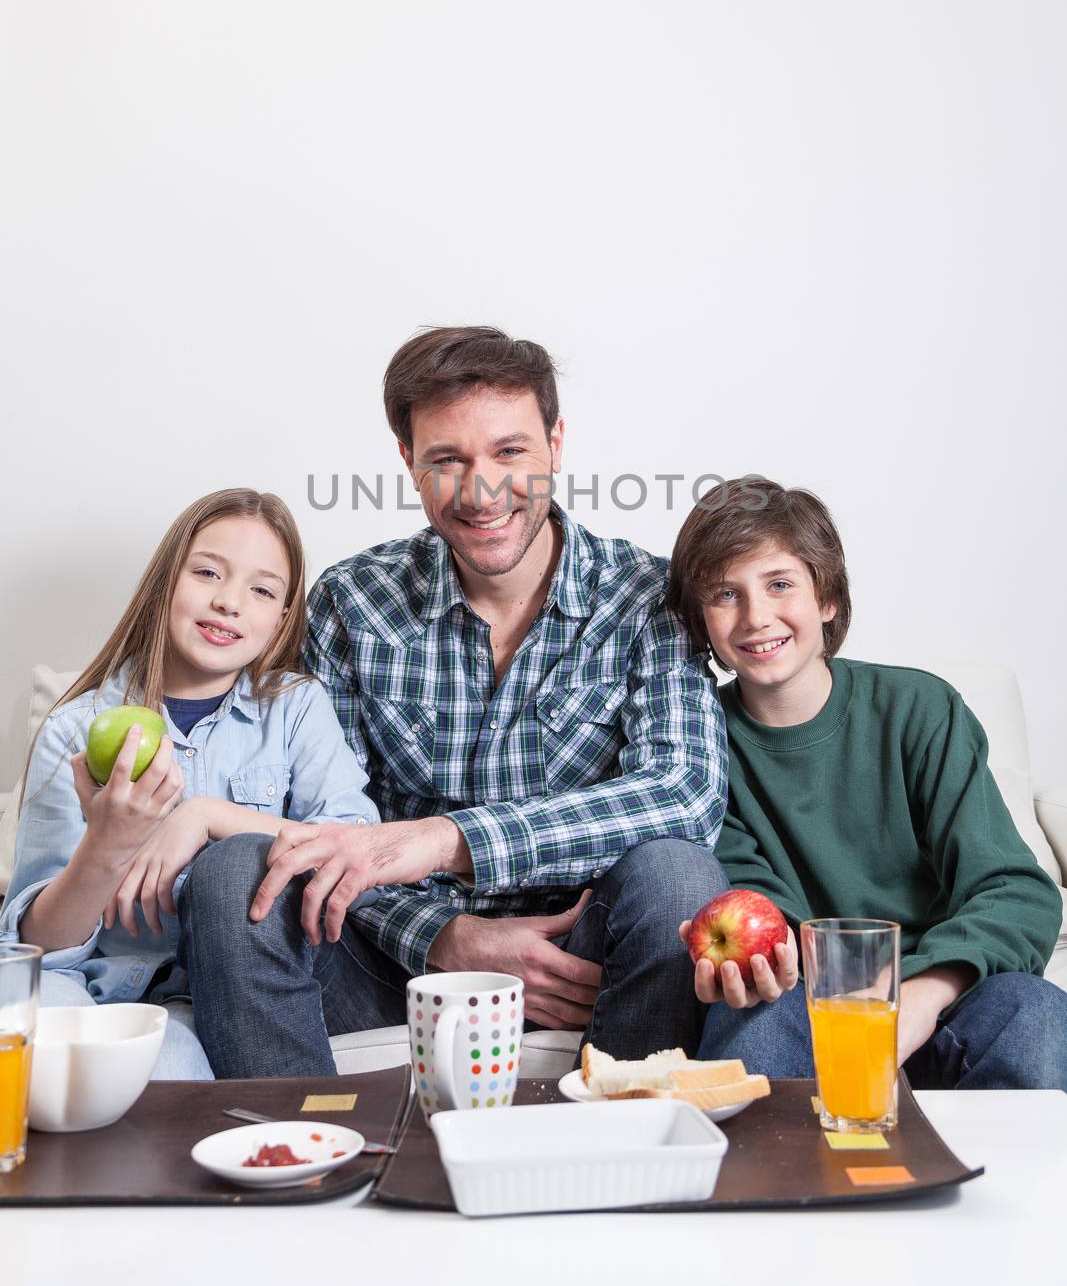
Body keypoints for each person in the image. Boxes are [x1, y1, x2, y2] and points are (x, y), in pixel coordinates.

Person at [178, 327, 730, 1078]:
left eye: (510, 452)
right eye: (447, 460)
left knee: (678, 873)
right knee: (236, 871)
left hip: (583, 968)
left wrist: (448, 839)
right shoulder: (351, 602)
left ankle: (626, 1136)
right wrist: (443, 934)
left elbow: (683, 795)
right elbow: (314, 827)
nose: (482, 492)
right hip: (388, 966)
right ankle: (298, 1153)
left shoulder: (649, 597)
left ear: (555, 444)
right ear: (408, 462)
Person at [666, 477, 1067, 1089]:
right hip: (804, 1003)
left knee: (1033, 1013)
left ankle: (1015, 1184)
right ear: (702, 622)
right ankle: (776, 1182)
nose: (756, 617)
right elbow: (757, 906)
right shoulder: (696, 737)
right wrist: (754, 969)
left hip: (941, 999)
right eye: (725, 594)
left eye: (779, 584)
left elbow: (1015, 889)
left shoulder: (920, 709)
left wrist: (922, 996)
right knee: (753, 1023)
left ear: (825, 597)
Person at [0, 489, 379, 1079]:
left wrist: (205, 814)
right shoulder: (75, 728)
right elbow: (38, 949)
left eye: (262, 590)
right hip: (93, 986)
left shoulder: (296, 708)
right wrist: (106, 845)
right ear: (165, 583)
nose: (228, 602)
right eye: (207, 573)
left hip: (223, 992)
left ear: (281, 619)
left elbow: (354, 841)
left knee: (173, 1069)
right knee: (53, 1046)